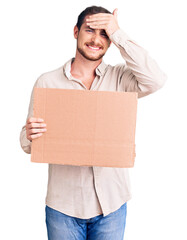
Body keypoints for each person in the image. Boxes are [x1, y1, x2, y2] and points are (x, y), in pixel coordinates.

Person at [20, 5, 167, 240]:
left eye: (104, 34)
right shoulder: (47, 82)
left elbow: (156, 80)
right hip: (63, 208)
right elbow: (28, 143)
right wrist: (27, 134)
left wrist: (118, 33)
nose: (96, 40)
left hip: (111, 206)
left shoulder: (121, 79)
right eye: (90, 30)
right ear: (76, 31)